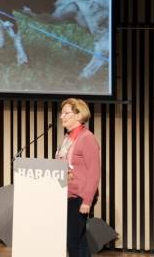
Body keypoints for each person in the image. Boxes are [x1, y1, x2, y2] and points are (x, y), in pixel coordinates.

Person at [56, 98, 101, 257]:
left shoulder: (87, 138)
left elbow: (94, 173)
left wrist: (87, 201)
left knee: (72, 240)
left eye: (66, 113)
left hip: (79, 197)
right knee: (79, 240)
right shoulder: (68, 139)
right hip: (66, 195)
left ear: (78, 115)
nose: (62, 117)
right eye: (61, 113)